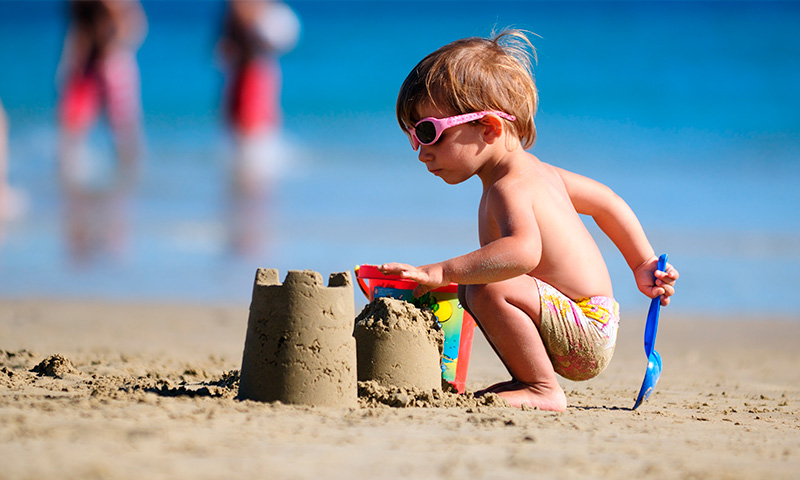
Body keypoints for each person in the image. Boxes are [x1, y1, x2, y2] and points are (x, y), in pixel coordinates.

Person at [380, 30, 679, 411]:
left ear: (488, 127)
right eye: (413, 136)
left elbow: (523, 252)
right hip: (584, 319)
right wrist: (642, 262)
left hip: (583, 329)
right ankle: (526, 379)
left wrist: (442, 271)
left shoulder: (511, 187)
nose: (422, 152)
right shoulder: (539, 173)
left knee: (483, 286)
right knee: (474, 284)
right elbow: (609, 202)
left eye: (430, 132)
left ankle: (541, 388)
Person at [56, 0, 147, 263]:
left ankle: (124, 189)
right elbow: (79, 30)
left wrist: (112, 45)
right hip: (87, 61)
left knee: (123, 135)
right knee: (73, 131)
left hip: (108, 60)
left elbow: (134, 27)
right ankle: (76, 189)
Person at [217, 0, 300, 255]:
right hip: (252, 75)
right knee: (250, 163)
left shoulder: (249, 15)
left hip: (252, 76)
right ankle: (249, 232)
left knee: (250, 163)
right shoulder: (252, 18)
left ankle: (249, 233)